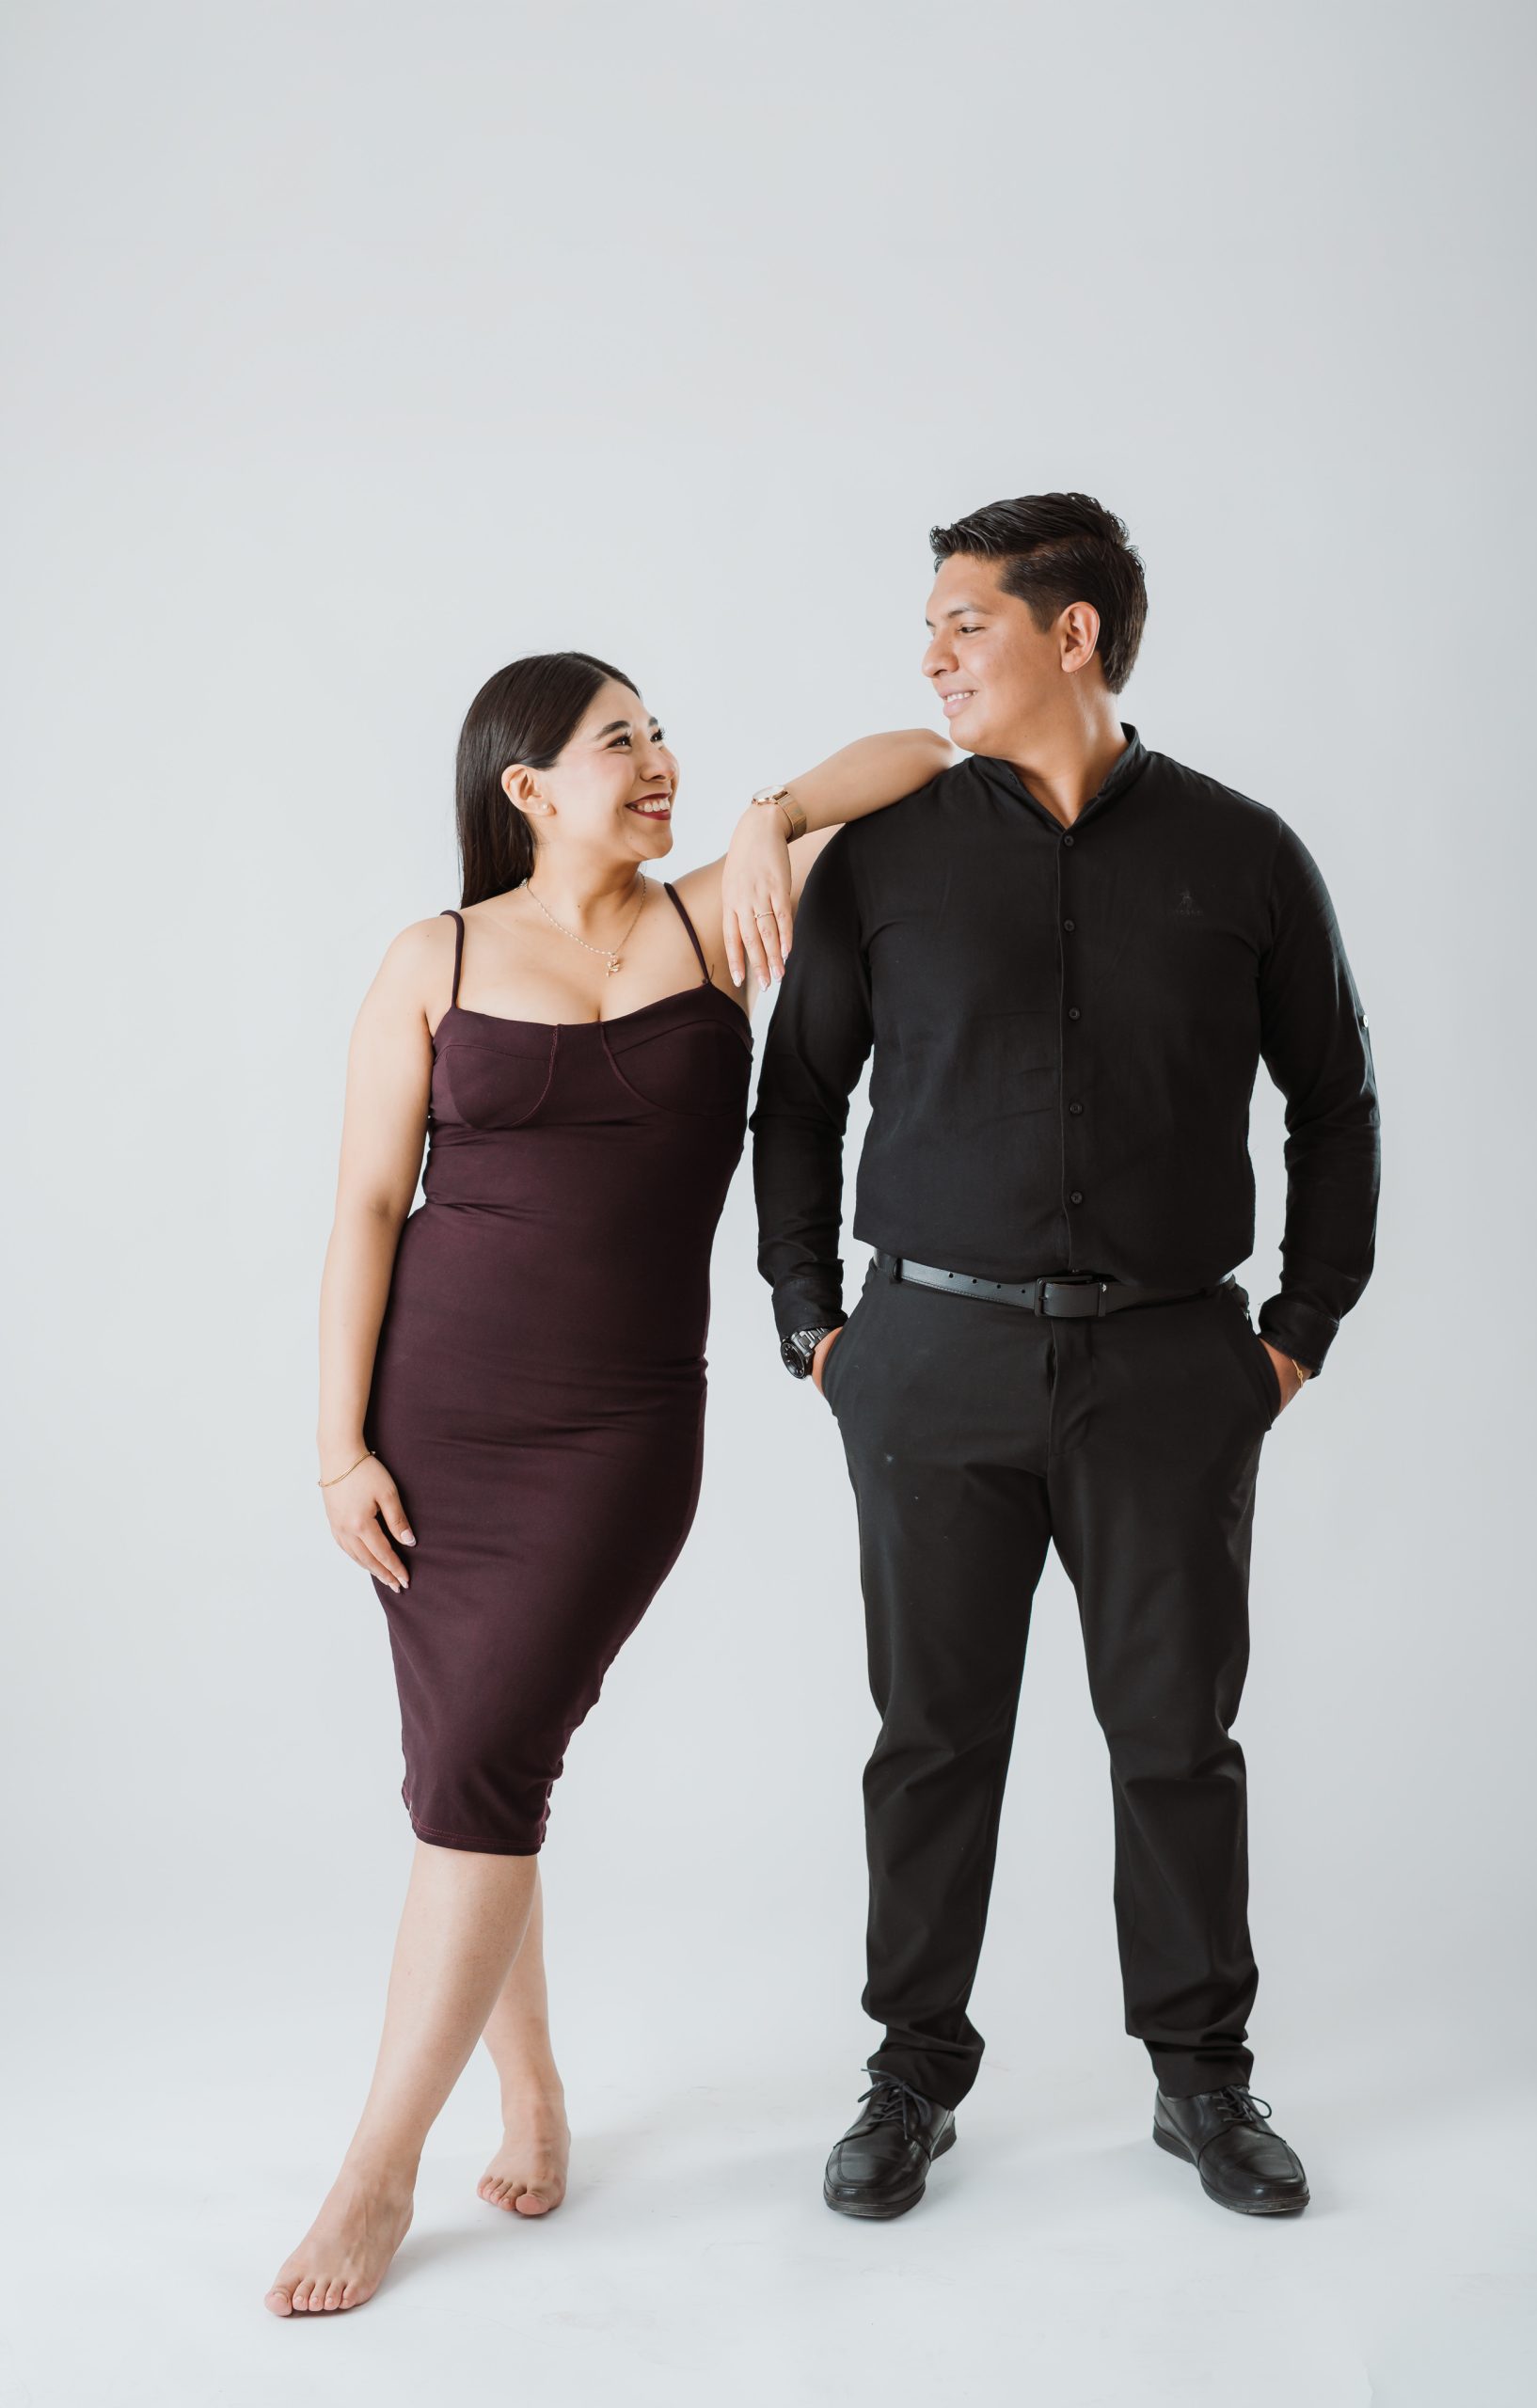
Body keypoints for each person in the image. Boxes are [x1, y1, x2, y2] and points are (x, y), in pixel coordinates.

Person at [265, 650, 953, 2315]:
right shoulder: (434, 957)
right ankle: (529, 2095)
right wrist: (339, 1444)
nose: (657, 763)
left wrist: (773, 813)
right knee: (475, 1771)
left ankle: (374, 2176)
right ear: (527, 789)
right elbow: (365, 1208)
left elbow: (924, 760)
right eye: (617, 742)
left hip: (618, 1436)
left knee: (485, 1761)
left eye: (660, 735)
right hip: (438, 1420)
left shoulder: (719, 916)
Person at [752, 493, 1380, 2222]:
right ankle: (910, 2074)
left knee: (1176, 1737)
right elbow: (796, 1099)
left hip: (1174, 1372)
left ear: (1073, 633)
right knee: (931, 1737)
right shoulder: (886, 857)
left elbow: (1336, 1102)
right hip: (927, 1360)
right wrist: (815, 1326)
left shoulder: (1245, 856)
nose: (933, 657)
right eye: (931, 629)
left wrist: (1296, 1336)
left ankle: (1202, 2081)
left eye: (963, 622)